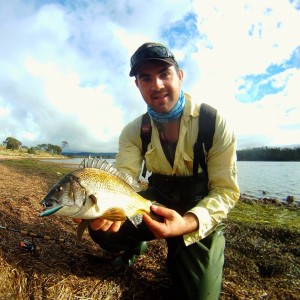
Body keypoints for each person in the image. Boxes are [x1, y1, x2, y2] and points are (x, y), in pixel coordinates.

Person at [84, 42, 240, 299]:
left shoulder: (213, 123)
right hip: (155, 202)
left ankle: (184, 248)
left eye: (164, 74)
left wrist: (187, 223)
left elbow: (225, 190)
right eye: (146, 78)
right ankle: (136, 244)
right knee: (100, 229)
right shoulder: (134, 131)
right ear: (138, 85)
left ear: (180, 76)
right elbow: (123, 179)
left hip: (198, 206)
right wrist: (96, 203)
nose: (156, 85)